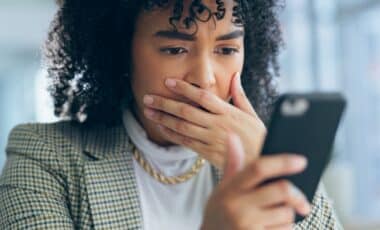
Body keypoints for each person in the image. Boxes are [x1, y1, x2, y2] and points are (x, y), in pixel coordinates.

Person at [0, 0, 342, 229]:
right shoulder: (42, 155)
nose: (205, 77)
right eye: (175, 49)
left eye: (227, 49)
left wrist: (277, 176)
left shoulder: (266, 148)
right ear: (120, 54)